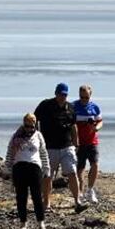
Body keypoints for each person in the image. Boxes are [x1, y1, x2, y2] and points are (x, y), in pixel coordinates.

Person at [34, 82, 86, 213]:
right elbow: (35, 120)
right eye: (60, 94)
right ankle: (46, 204)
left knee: (72, 172)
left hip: (66, 146)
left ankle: (77, 201)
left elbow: (74, 126)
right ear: (56, 93)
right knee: (48, 176)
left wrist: (76, 143)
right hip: (49, 147)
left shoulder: (70, 108)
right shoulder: (45, 105)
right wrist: (35, 139)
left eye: (65, 95)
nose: (62, 97)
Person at [5, 112, 50, 229]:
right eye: (27, 126)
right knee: (21, 197)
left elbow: (43, 153)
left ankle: (41, 223)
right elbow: (9, 152)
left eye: (32, 126)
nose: (29, 128)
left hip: (35, 167)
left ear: (35, 125)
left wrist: (46, 168)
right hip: (19, 167)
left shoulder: (38, 136)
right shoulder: (16, 136)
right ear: (23, 124)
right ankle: (23, 223)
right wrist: (8, 169)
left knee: (36, 196)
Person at [73, 84, 103, 205]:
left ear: (90, 96)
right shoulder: (73, 106)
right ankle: (80, 193)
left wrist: (96, 128)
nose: (84, 99)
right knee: (79, 169)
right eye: (82, 97)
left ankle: (90, 190)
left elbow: (100, 121)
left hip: (92, 141)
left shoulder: (94, 107)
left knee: (95, 164)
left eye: (86, 97)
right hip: (78, 143)